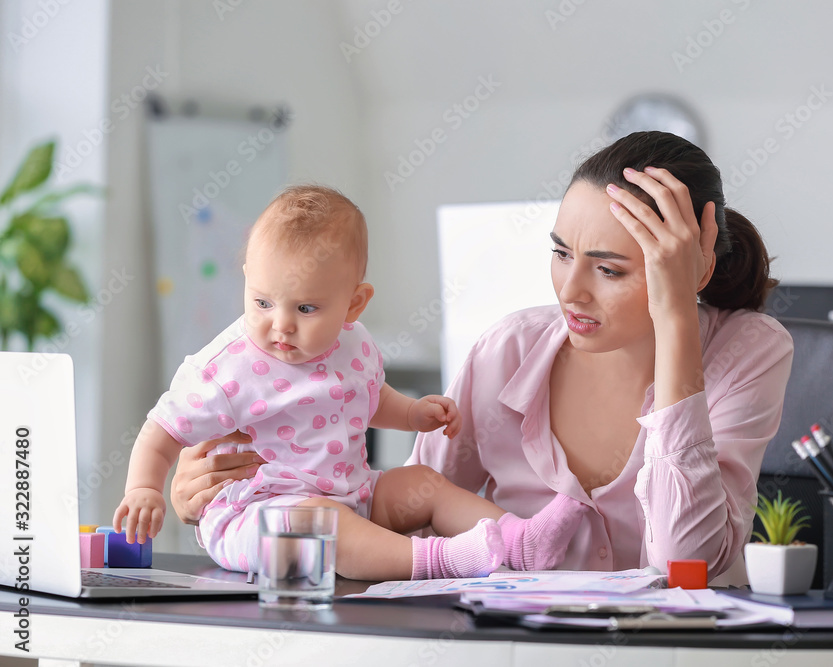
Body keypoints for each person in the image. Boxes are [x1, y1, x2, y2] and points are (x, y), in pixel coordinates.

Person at [170, 132, 794, 582]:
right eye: (560, 253)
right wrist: (237, 503)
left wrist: (678, 318)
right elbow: (404, 526)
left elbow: (689, 567)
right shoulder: (507, 351)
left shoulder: (749, 351)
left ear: (696, 265)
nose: (570, 290)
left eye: (608, 269)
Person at [115, 185, 586, 581]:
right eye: (262, 302)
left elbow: (365, 396)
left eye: (305, 309)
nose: (280, 325)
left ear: (354, 304)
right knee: (320, 523)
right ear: (247, 280)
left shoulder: (353, 343)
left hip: (355, 493)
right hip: (261, 517)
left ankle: (520, 541)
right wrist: (143, 488)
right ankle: (442, 559)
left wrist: (410, 413)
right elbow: (162, 431)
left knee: (424, 482)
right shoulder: (226, 368)